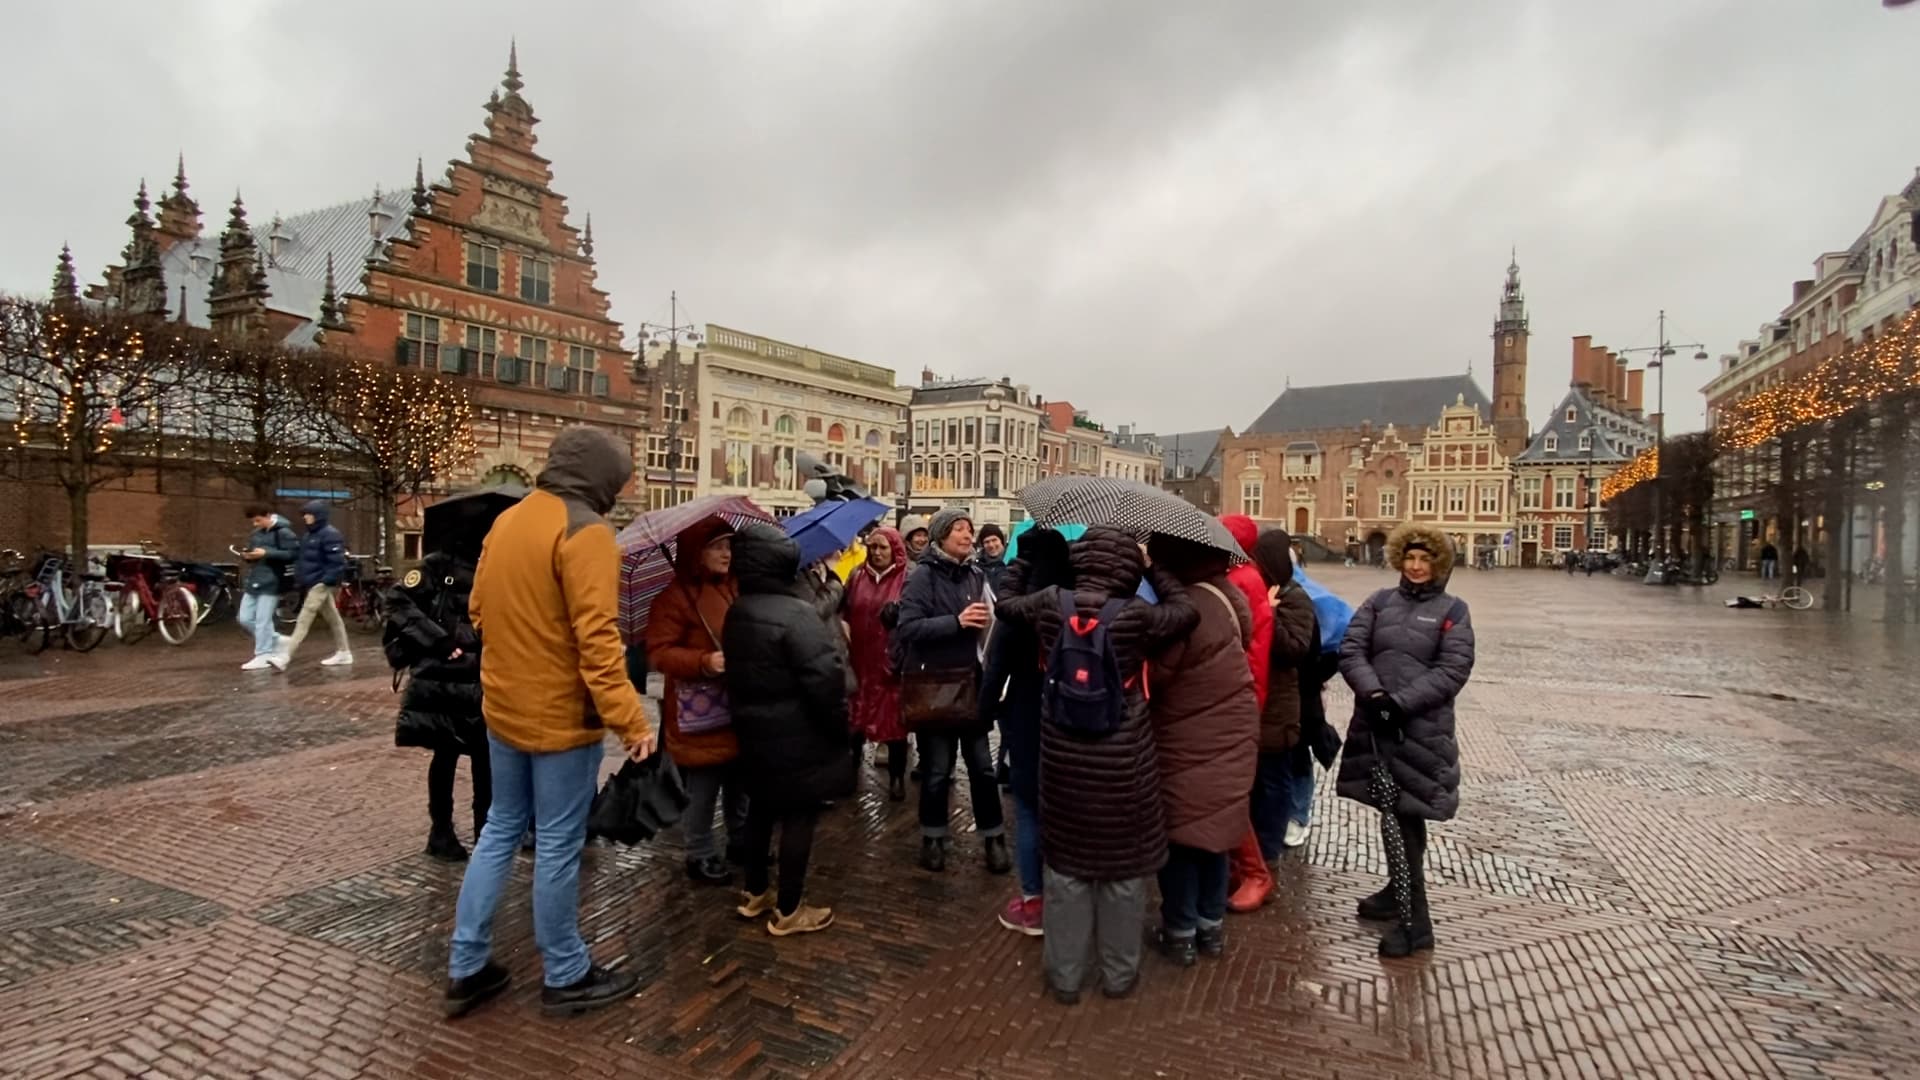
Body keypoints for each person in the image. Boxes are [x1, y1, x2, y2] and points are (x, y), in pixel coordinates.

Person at [443, 426, 655, 1019]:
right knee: (559, 842)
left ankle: (466, 965)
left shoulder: (509, 520)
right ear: (601, 476)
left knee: (499, 828)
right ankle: (565, 971)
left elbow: (479, 610)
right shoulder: (587, 532)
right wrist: (631, 722)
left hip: (503, 707)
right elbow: (598, 641)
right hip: (561, 716)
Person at [995, 528, 1196, 1002]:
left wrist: (1025, 559)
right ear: (1127, 568)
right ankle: (1119, 975)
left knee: (1066, 871)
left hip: (1063, 760)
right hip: (1124, 764)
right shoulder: (1136, 615)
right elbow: (1186, 611)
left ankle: (1065, 977)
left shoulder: (1051, 603)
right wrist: (1153, 567)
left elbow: (1005, 604)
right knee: (1123, 874)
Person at [1337, 520, 1475, 959]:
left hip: (1419, 731)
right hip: (1377, 725)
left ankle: (1416, 923)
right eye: (1410, 558)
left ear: (1439, 565)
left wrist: (1400, 704)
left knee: (1406, 818)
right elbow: (1352, 649)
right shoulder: (1379, 602)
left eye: (1424, 559)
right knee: (1391, 812)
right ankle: (1396, 890)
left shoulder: (1454, 611)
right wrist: (1375, 695)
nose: (1416, 566)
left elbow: (1452, 670)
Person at [724, 524, 854, 936]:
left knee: (761, 809)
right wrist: (839, 727)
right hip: (798, 733)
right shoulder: (796, 614)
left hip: (753, 731)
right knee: (799, 816)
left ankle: (755, 891)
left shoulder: (738, 609)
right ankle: (789, 909)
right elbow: (825, 679)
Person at [1144, 534, 1260, 966]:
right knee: (1216, 834)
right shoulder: (1229, 596)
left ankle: (1180, 932)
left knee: (1181, 838)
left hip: (1186, 735)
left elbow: (1157, 676)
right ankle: (1210, 928)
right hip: (1233, 730)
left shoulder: (1184, 609)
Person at [385, 497, 515, 862]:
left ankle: (485, 834)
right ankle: (442, 831)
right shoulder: (438, 564)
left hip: (486, 676)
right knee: (447, 754)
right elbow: (397, 600)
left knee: (486, 757)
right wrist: (437, 640)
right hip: (445, 677)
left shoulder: (506, 565)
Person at [892, 508, 1008, 874]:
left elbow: (989, 623)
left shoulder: (976, 574)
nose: (967, 534)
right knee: (938, 770)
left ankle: (994, 837)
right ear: (941, 535)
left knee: (983, 768)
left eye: (969, 529)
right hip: (937, 686)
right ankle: (933, 837)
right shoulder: (922, 576)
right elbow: (908, 627)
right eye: (959, 528)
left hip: (972, 685)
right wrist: (955, 622)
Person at [644, 517, 748, 887]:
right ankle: (699, 853)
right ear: (696, 553)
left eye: (728, 545)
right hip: (699, 711)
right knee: (703, 787)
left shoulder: (733, 587)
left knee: (739, 779)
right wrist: (703, 661)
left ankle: (740, 840)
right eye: (716, 546)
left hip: (736, 702)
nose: (726, 553)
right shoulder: (675, 598)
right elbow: (659, 652)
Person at [980, 526, 1074, 936]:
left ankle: (1034, 900)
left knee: (1029, 809)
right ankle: (1069, 898)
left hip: (1026, 717)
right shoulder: (1078, 602)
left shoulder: (1016, 610)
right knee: (1065, 809)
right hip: (1071, 720)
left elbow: (994, 669)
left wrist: (983, 714)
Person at [1247, 529, 1321, 863]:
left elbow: (1294, 649)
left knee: (1275, 779)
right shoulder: (1261, 591)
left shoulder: (1296, 598)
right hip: (1259, 702)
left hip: (1280, 706)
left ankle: (1270, 848)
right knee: (1257, 780)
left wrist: (1268, 614)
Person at [1218, 515, 1276, 913]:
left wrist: (1244, 702)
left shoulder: (1242, 581)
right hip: (1234, 699)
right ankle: (1239, 868)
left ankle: (1256, 873)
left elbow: (1252, 650)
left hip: (1234, 702)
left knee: (1228, 794)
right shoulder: (1240, 577)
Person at [845, 527, 911, 801]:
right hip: (860, 662)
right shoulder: (856, 576)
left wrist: (900, 617)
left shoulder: (907, 578)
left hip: (889, 666)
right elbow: (844, 611)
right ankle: (850, 774)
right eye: (872, 547)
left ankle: (897, 778)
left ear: (894, 550)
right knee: (854, 722)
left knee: (894, 727)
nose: (877, 552)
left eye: (883, 547)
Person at [270, 500, 353, 671]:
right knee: (333, 618)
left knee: (304, 617)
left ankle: (285, 657)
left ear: (318, 516)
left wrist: (326, 581)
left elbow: (337, 562)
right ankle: (344, 652)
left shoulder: (330, 534)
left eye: (309, 514)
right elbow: (304, 559)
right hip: (313, 582)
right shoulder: (309, 535)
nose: (305, 517)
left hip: (321, 584)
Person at [237, 505, 298, 671]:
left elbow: (293, 554)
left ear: (268, 515)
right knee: (244, 618)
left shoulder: (284, 533)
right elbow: (254, 553)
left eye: (258, 520)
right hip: (255, 579)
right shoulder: (256, 534)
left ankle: (263, 654)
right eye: (254, 521)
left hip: (273, 581)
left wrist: (266, 553)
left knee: (263, 620)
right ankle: (277, 640)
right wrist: (248, 556)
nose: (255, 524)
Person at [974, 523, 1011, 592]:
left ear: (1001, 541)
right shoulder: (978, 568)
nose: (991, 545)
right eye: (987, 542)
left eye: (994, 540)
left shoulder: (1013, 562)